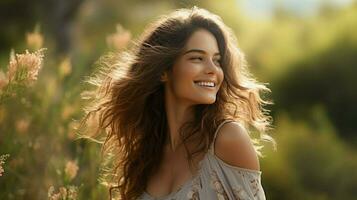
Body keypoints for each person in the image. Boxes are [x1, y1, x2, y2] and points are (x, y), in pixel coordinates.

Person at [80, 6, 276, 200]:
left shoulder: (227, 139)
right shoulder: (145, 155)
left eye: (217, 61)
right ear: (164, 71)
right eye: (197, 58)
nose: (212, 70)